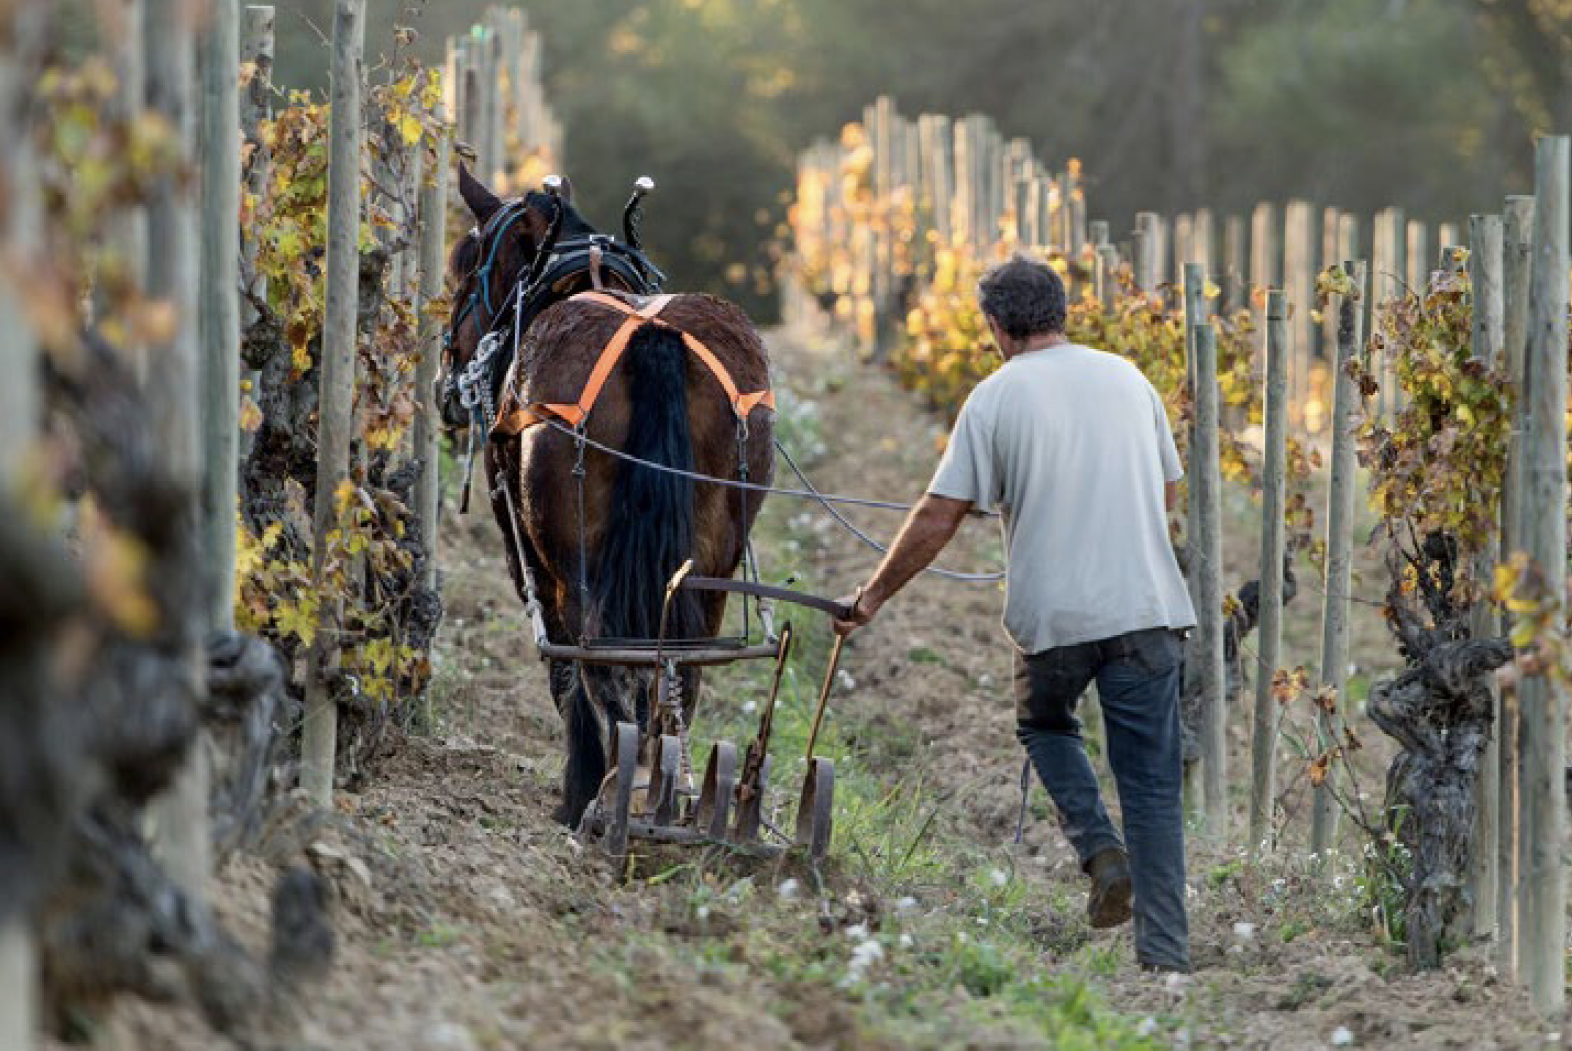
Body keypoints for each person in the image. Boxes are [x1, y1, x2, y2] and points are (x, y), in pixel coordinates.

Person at [832, 254, 1196, 973]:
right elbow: (1167, 494)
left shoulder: (995, 398)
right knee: (1152, 784)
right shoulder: (1130, 379)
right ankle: (1166, 957)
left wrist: (871, 595)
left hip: (1054, 621)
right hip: (1148, 609)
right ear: (1063, 313)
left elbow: (939, 515)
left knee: (1044, 722)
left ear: (995, 325)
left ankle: (1098, 849)